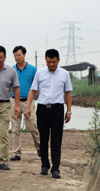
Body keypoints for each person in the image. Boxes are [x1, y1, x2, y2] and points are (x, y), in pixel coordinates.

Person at [25, 49, 72, 180]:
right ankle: (44, 165)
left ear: (58, 60)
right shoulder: (39, 73)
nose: (51, 64)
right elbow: (32, 90)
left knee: (56, 139)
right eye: (49, 62)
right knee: (43, 138)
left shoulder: (64, 74)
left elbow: (68, 93)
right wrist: (28, 108)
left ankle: (55, 168)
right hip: (42, 109)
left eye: (54, 62)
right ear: (45, 60)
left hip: (57, 109)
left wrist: (69, 111)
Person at [9, 46, 40, 160]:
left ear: (24, 55)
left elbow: (37, 86)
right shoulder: (12, 70)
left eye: (19, 55)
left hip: (28, 101)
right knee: (15, 128)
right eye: (15, 56)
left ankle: (39, 147)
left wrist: (40, 100)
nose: (17, 57)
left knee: (31, 126)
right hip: (14, 101)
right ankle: (16, 153)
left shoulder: (33, 69)